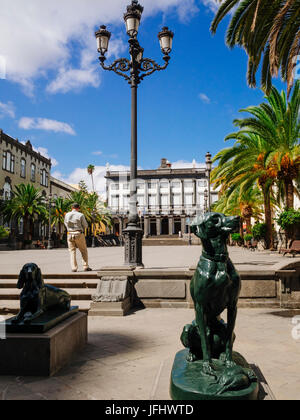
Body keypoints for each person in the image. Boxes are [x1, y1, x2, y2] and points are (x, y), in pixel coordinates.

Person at [64, 203, 92, 272]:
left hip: (70, 234)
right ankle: (85, 266)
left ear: (72, 208)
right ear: (78, 208)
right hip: (78, 233)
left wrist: (70, 228)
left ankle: (74, 267)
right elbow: (85, 225)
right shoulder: (80, 215)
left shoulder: (67, 214)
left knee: (72, 251)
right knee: (83, 250)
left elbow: (65, 223)